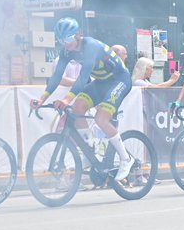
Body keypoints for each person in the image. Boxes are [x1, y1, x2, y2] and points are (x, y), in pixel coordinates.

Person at [31, 18, 136, 181]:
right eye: (61, 40)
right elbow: (56, 76)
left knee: (101, 118)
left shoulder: (91, 46)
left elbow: (83, 77)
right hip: (102, 82)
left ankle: (126, 159)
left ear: (78, 35)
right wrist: (41, 99)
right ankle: (90, 150)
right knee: (77, 108)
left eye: (68, 39)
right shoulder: (66, 51)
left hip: (119, 80)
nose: (65, 44)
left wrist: (66, 99)